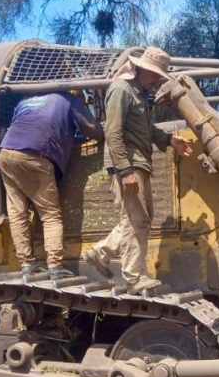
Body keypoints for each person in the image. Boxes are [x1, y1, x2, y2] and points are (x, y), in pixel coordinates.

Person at [82, 47, 192, 293]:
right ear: (142, 69)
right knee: (136, 221)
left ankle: (100, 253)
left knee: (138, 219)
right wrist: (125, 170)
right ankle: (133, 276)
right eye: (155, 75)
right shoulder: (121, 89)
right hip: (129, 165)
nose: (156, 82)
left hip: (139, 163)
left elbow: (147, 129)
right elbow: (112, 132)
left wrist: (170, 140)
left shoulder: (138, 94)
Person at [0, 91, 104, 279]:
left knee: (17, 212)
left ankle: (27, 264)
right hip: (35, 157)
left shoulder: (26, 98)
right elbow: (92, 130)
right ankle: (55, 265)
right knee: (50, 214)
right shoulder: (70, 99)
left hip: (6, 153)